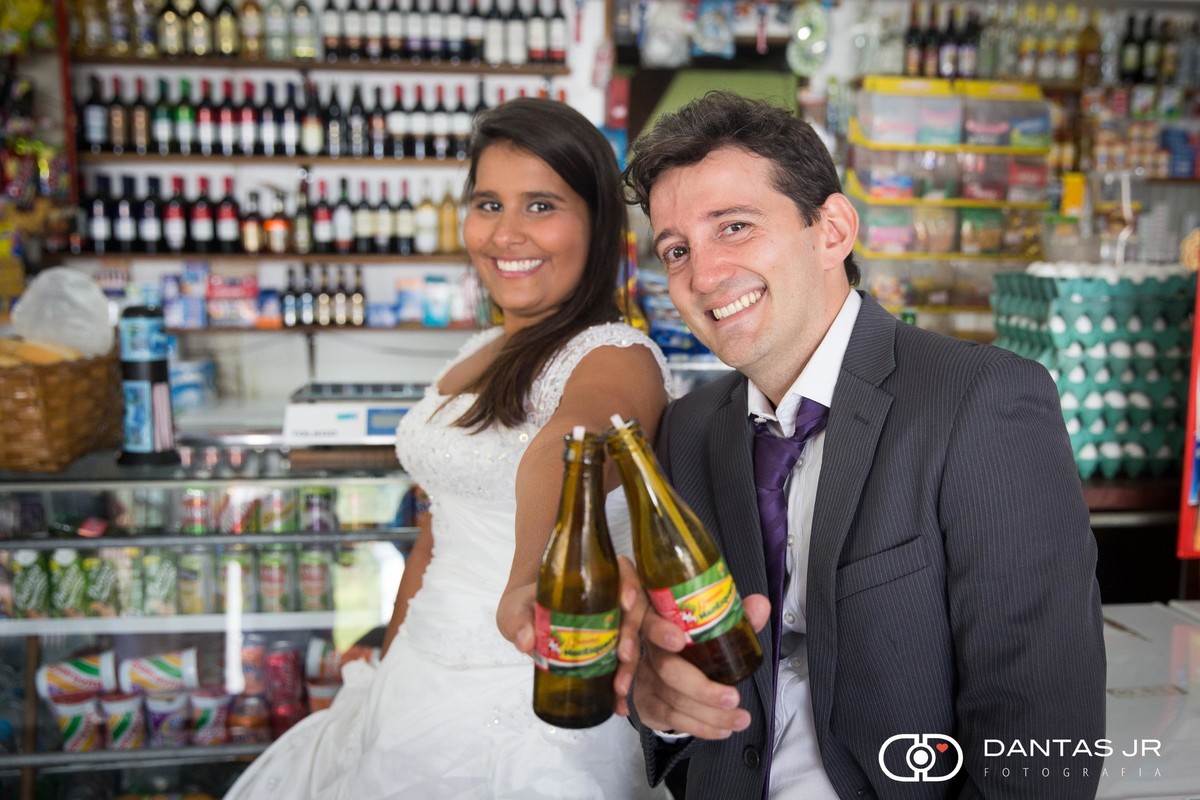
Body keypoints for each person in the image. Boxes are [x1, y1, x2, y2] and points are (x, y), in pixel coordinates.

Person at [617, 91, 1106, 800]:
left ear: (832, 229)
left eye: (735, 227)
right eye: (676, 250)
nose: (703, 274)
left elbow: (1042, 736)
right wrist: (660, 712)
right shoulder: (690, 430)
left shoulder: (981, 402)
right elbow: (682, 693)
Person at [225, 97, 672, 800]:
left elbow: (571, 447)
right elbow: (437, 536)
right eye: (488, 202)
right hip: (414, 681)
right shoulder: (476, 354)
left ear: (596, 224)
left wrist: (530, 579)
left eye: (542, 206)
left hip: (532, 710)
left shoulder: (616, 357)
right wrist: (384, 655)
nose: (506, 233)